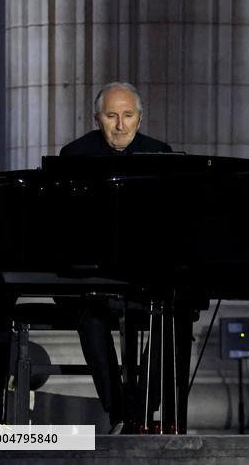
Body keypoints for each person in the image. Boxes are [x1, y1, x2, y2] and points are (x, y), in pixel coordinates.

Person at [59, 81, 172, 433]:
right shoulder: (74, 156)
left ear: (139, 118)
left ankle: (144, 411)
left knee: (170, 314)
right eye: (112, 116)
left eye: (127, 116)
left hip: (144, 275)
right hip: (88, 275)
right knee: (89, 313)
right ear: (98, 119)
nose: (120, 125)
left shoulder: (160, 154)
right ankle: (118, 413)